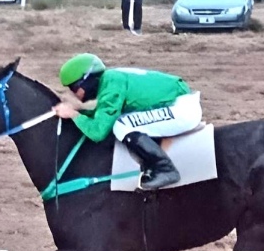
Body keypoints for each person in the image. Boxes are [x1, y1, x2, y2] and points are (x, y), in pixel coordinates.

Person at [53, 54, 201, 190]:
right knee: (125, 121)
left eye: (74, 88)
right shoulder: (110, 80)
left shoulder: (112, 87)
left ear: (87, 81)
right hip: (177, 102)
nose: (74, 94)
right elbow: (104, 113)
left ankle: (165, 169)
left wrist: (74, 115)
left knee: (122, 125)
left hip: (181, 110)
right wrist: (80, 112)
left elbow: (98, 132)